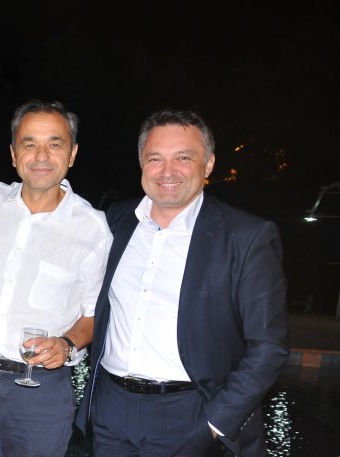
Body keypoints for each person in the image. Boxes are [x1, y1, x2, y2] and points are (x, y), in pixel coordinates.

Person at [75, 109, 289, 456]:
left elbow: (268, 347)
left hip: (189, 414)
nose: (167, 171)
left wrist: (215, 423)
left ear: (208, 164)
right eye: (155, 158)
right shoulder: (116, 221)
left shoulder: (245, 236)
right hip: (110, 411)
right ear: (141, 163)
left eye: (184, 157)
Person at [0, 100, 112, 457]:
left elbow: (94, 315)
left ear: (72, 154)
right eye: (29, 143)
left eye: (55, 144)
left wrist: (66, 344)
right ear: (13, 153)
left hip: (40, 392)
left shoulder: (92, 228)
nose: (41, 156)